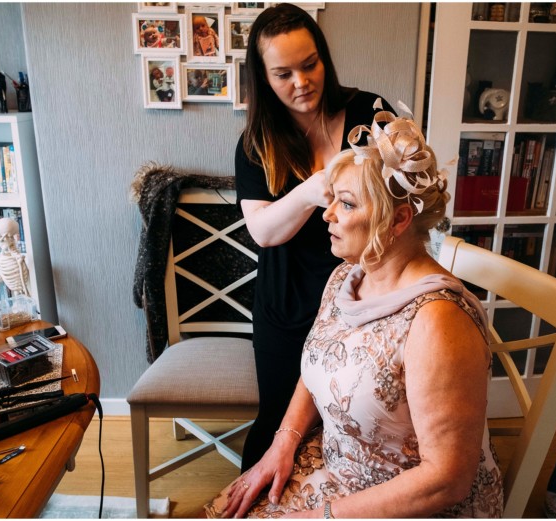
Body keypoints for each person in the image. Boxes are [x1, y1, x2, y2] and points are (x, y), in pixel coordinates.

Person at [206, 109, 504, 518]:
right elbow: (320, 366)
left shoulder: (438, 323)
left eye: (345, 204)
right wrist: (283, 443)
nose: (327, 215)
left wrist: (323, 516)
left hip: (405, 504)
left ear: (399, 218)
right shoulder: (348, 275)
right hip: (337, 466)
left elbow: (447, 479)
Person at [235, 2, 394, 472]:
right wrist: (311, 189)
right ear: (263, 78)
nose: (302, 83)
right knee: (278, 424)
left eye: (310, 65)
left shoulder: (369, 111)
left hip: (366, 299)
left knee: (356, 423)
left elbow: (403, 197)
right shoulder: (255, 143)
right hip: (286, 305)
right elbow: (263, 231)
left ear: (324, 58)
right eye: (283, 74)